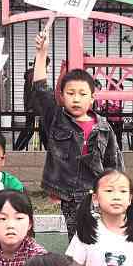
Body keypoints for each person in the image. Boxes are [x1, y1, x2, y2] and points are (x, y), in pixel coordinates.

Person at [30, 18, 123, 241]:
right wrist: (42, 53)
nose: (76, 98)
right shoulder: (56, 118)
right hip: (70, 195)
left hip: (98, 193)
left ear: (92, 98)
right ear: (62, 96)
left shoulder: (103, 127)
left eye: (82, 94)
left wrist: (117, 191)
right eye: (70, 93)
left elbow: (114, 163)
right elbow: (40, 89)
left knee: (103, 238)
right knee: (78, 239)